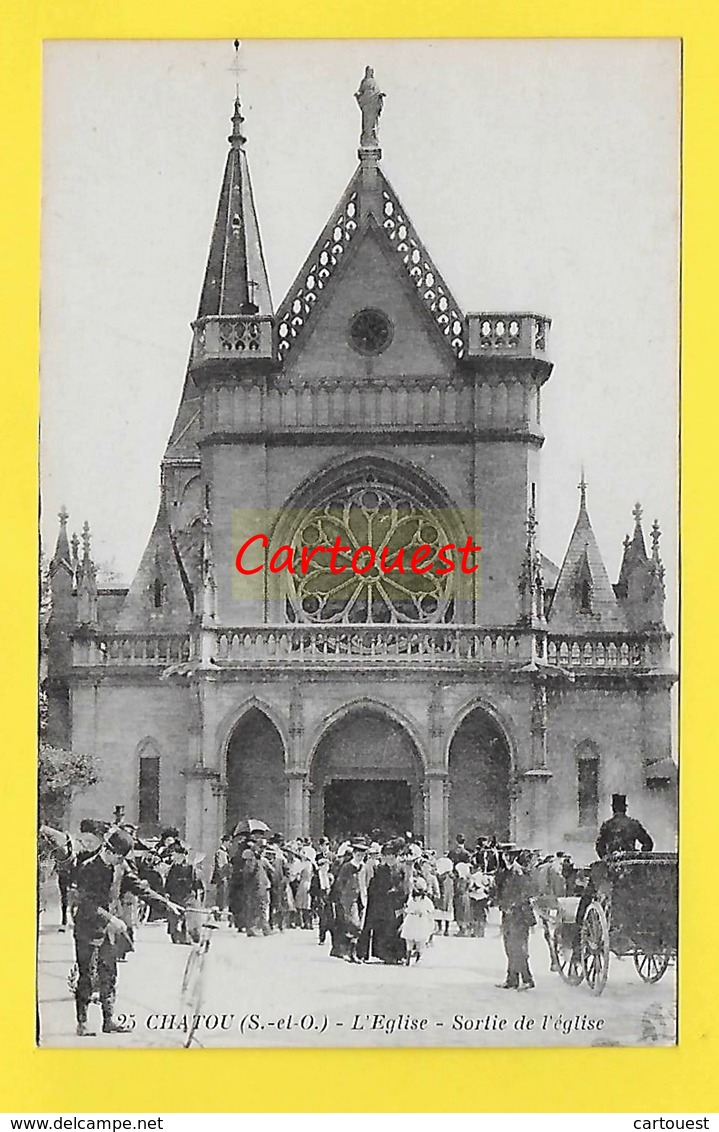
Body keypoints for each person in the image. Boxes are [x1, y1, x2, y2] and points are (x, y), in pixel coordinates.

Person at [72, 827, 181, 1036]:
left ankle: (108, 1019)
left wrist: (168, 905)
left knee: (110, 974)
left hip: (109, 931)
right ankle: (83, 1022)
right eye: (119, 857)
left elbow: (140, 888)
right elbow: (86, 905)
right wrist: (111, 918)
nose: (121, 861)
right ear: (109, 850)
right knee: (87, 975)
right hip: (87, 929)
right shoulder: (88, 868)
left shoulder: (120, 866)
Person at [357, 840, 407, 964]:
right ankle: (384, 954)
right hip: (381, 904)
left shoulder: (401, 868)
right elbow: (374, 887)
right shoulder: (379, 869)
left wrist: (399, 895)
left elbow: (405, 886)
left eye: (391, 856)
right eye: (386, 856)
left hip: (396, 903)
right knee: (383, 930)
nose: (388, 858)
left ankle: (397, 955)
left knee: (395, 930)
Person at [495, 849, 536, 991]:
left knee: (517, 947)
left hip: (519, 915)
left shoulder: (518, 873)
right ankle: (512, 979)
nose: (506, 858)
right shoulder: (508, 872)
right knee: (510, 947)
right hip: (510, 914)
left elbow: (526, 893)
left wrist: (512, 905)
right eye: (505, 855)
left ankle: (526, 979)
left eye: (508, 856)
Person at [164, 845, 205, 944]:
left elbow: (196, 881)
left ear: (182, 855)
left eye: (176, 855)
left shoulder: (190, 867)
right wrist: (166, 892)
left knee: (188, 917)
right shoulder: (174, 867)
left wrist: (197, 893)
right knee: (174, 917)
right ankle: (175, 935)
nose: (174, 857)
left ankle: (187, 936)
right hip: (175, 895)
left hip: (187, 895)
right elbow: (169, 881)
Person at [533, 853, 565, 972]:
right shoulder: (553, 867)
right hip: (557, 901)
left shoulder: (541, 869)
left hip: (550, 902)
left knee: (550, 933)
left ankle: (554, 960)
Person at [400, 877, 435, 964]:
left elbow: (431, 911)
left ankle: (418, 957)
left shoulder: (426, 901)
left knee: (420, 940)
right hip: (412, 920)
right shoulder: (411, 899)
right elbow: (407, 909)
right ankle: (408, 958)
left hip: (421, 920)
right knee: (409, 939)